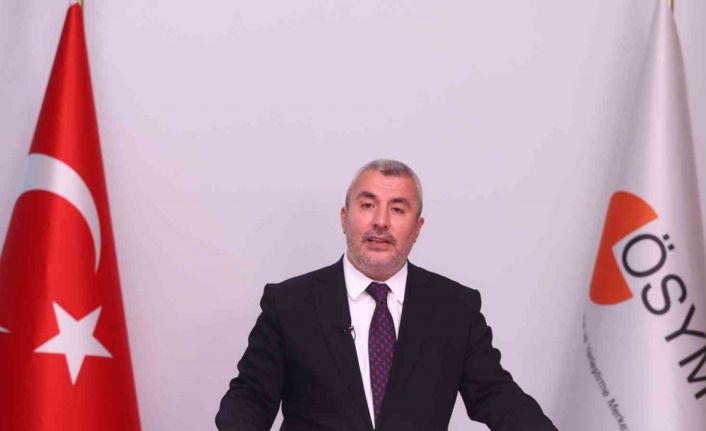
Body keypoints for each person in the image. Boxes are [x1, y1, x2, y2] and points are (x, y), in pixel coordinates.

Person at [216, 159, 556, 431]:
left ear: (417, 228)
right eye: (367, 205)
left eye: (397, 209)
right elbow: (250, 399)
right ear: (345, 218)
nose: (380, 221)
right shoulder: (289, 304)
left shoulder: (455, 309)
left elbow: (496, 396)